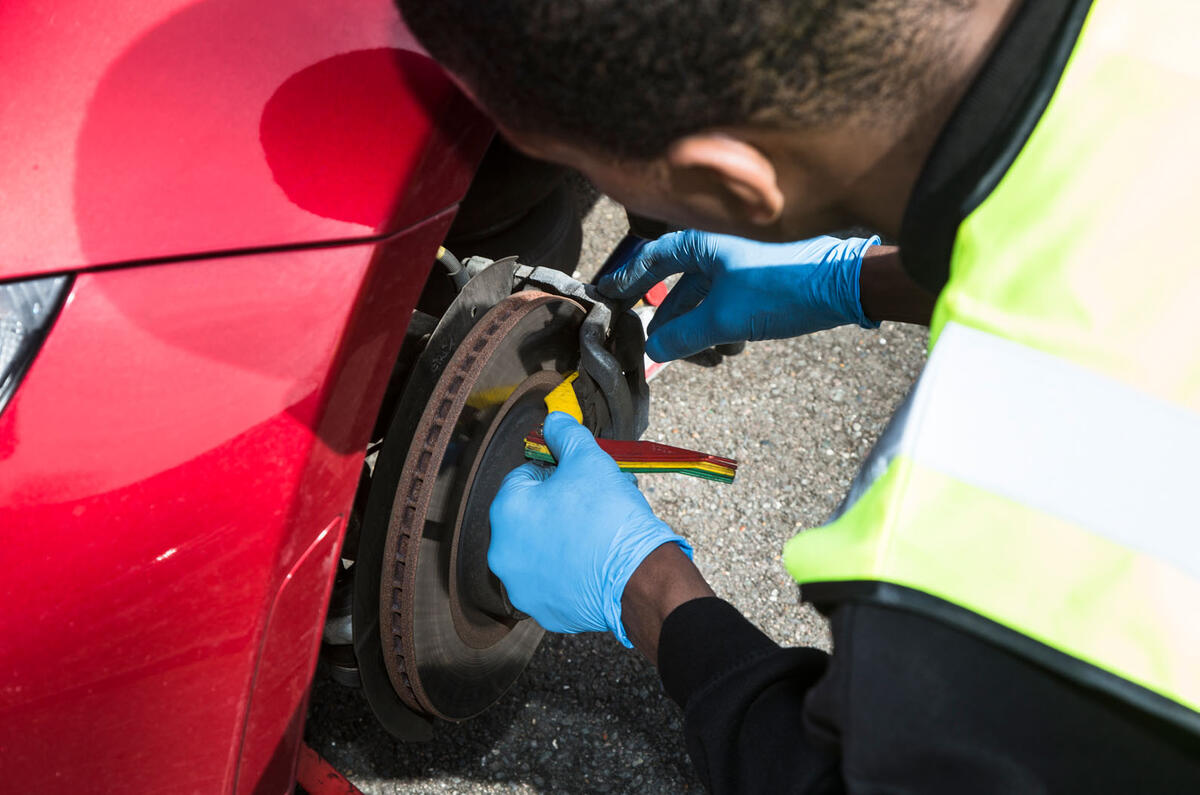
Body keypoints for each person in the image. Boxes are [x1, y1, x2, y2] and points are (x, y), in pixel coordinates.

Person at [398, 0, 1200, 790]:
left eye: (635, 202)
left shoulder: (965, 594)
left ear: (734, 185)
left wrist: (644, 588)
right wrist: (862, 276)